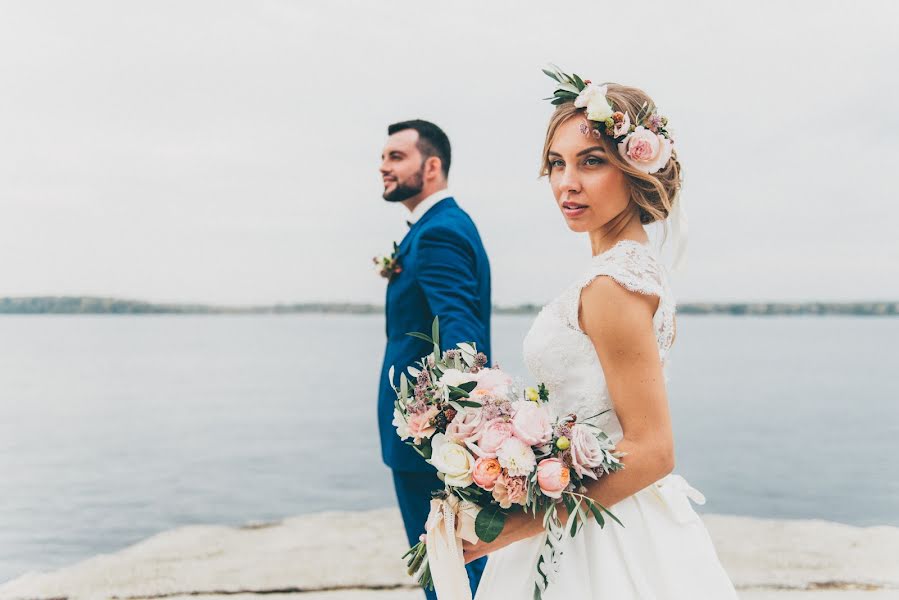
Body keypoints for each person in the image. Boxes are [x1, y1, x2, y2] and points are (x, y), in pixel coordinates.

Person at [466, 71, 738, 598]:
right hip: (608, 509)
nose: (567, 182)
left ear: (636, 166)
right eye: (556, 163)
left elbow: (654, 449)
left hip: (597, 539)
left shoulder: (613, 286)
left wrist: (513, 527)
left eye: (591, 161)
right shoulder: (634, 270)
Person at [376, 119, 491, 599]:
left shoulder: (439, 233)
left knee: (447, 570)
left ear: (432, 165)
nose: (383, 166)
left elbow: (461, 336)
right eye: (382, 158)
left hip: (431, 440)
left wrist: (452, 429)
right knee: (451, 565)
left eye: (396, 157)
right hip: (429, 436)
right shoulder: (433, 228)